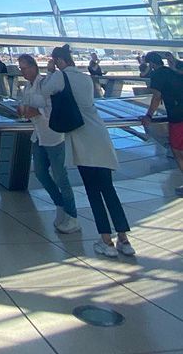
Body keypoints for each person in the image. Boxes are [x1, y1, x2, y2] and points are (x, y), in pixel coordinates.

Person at [43, 45, 134, 257]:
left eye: (55, 61)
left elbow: (45, 90)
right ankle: (124, 239)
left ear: (58, 60)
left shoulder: (59, 77)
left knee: (93, 192)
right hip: (99, 136)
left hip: (82, 141)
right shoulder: (85, 78)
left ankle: (106, 241)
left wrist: (50, 71)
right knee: (109, 190)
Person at [17, 54, 80, 232]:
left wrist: (35, 111)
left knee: (61, 176)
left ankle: (72, 215)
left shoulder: (45, 83)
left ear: (33, 66)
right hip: (38, 137)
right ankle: (60, 205)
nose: (23, 71)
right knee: (41, 173)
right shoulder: (27, 88)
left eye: (24, 68)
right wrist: (23, 111)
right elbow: (26, 107)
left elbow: (51, 107)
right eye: (21, 69)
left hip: (53, 136)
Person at [141, 51, 183, 196]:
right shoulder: (174, 71)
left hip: (177, 117)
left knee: (177, 150)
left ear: (152, 64)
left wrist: (148, 115)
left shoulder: (157, 75)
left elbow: (156, 97)